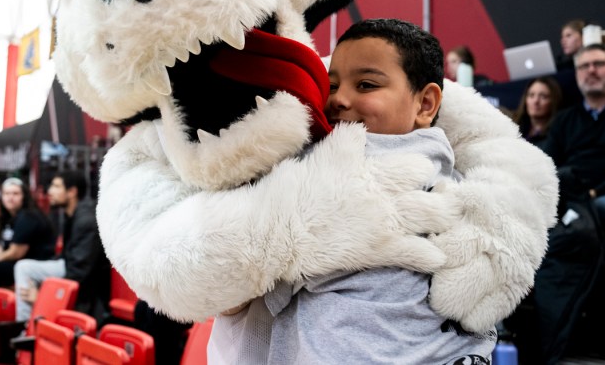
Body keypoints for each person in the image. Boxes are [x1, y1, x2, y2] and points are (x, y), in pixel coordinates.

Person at [208, 19, 495, 364]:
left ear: (426, 104)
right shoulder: (469, 186)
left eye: (366, 84)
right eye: (330, 86)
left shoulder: (312, 181)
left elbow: (231, 291)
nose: (339, 99)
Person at [511, 44, 605, 363]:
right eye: (584, 66)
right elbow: (546, 164)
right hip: (576, 200)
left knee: (595, 214)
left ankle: (594, 327)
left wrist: (593, 193)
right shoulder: (565, 120)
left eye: (599, 64)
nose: (591, 70)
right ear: (576, 76)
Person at [14, 171, 109, 322]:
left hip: (89, 288)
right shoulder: (71, 214)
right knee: (24, 268)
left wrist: (45, 294)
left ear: (72, 192)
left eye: (57, 186)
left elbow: (79, 272)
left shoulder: (86, 220)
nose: (50, 191)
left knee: (24, 268)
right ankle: (27, 326)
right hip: (70, 266)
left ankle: (25, 328)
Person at [0, 177, 54, 288]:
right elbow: (1, 247)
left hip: (34, 264)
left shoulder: (28, 216)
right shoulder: (8, 218)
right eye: (6, 194)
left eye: (15, 194)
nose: (10, 198)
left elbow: (16, 252)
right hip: (17, 262)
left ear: (24, 196)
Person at [512, 76, 562, 149]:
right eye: (531, 95)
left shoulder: (557, 134)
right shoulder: (515, 129)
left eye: (543, 96)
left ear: (554, 101)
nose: (535, 101)